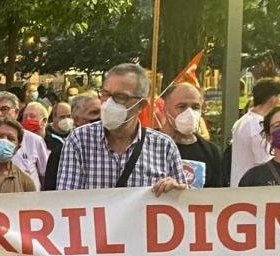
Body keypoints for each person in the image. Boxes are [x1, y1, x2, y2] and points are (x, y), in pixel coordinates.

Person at [57, 63, 188, 196]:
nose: (109, 103)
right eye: (105, 94)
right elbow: (66, 200)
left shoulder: (164, 147)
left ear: (141, 105)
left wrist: (174, 192)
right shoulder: (79, 140)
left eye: (120, 97)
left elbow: (183, 205)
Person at [0, 91, 50, 186]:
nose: (0, 114)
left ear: (16, 112)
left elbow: (45, 175)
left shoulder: (34, 141)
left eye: (4, 109)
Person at [159, 83, 222, 188]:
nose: (189, 112)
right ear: (165, 108)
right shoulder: (148, 145)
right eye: (181, 106)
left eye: (195, 107)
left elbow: (218, 196)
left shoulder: (212, 152)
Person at [229, 78, 280, 188]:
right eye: (279, 96)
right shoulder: (258, 125)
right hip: (253, 188)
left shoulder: (242, 121)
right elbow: (264, 161)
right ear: (273, 99)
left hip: (240, 184)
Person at [42, 92, 99, 191]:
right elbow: (51, 196)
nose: (100, 118)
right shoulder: (60, 154)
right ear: (77, 119)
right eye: (94, 113)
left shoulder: (113, 148)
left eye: (103, 112)